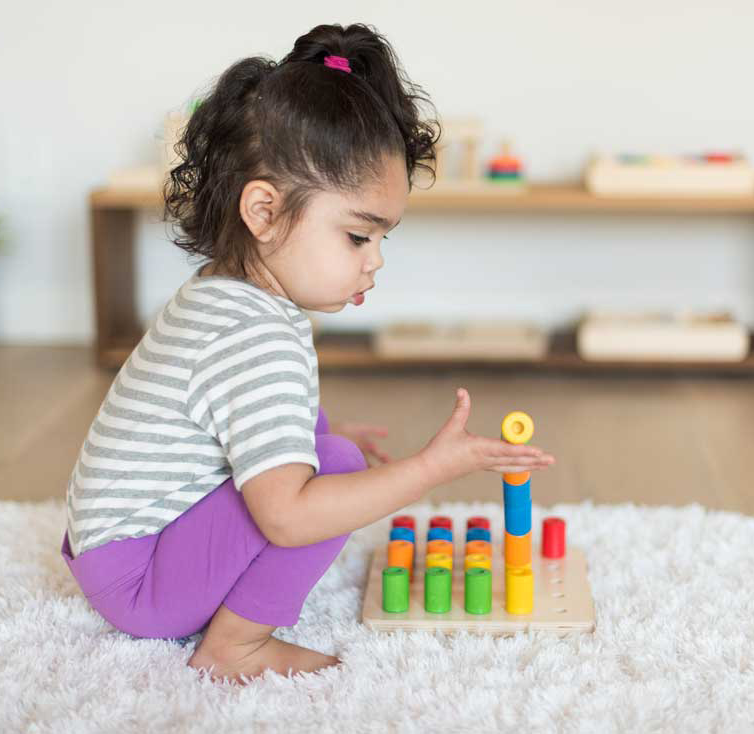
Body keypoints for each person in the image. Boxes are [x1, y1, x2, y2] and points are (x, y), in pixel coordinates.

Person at [61, 22, 555, 685]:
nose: (375, 261)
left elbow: (224, 419)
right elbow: (289, 518)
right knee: (336, 474)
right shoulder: (256, 335)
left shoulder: (222, 295)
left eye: (383, 238)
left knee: (326, 454)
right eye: (357, 236)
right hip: (139, 583)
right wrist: (429, 468)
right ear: (263, 212)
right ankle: (233, 648)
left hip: (109, 553)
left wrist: (308, 433)